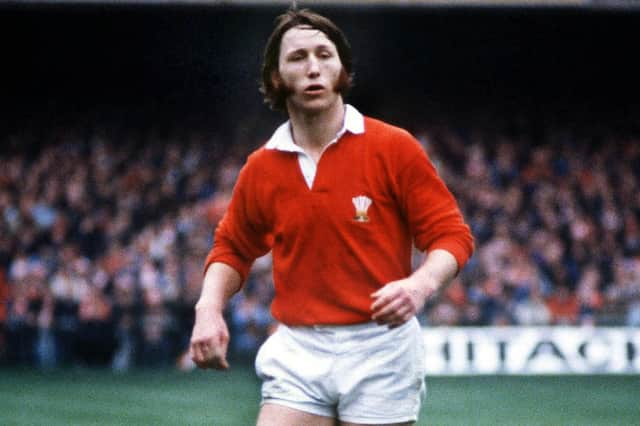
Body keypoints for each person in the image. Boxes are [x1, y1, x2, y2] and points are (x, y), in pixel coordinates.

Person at [190, 9, 474, 426]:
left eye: (325, 55)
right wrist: (208, 309)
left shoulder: (394, 147)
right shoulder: (262, 167)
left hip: (382, 349)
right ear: (275, 77)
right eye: (298, 57)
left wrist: (420, 285)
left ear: (341, 69)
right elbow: (232, 249)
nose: (313, 68)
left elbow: (452, 235)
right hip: (298, 348)